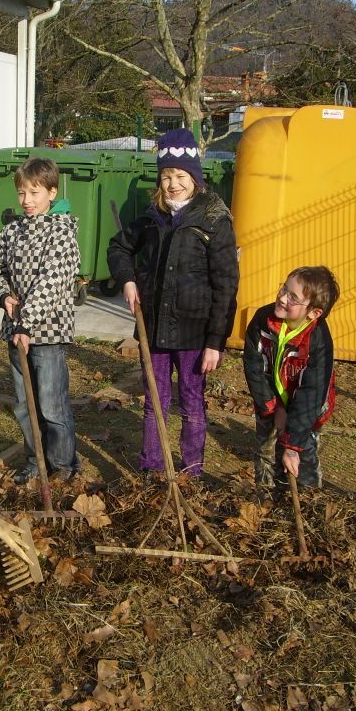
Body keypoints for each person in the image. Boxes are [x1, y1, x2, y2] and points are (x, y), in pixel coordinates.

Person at [107, 128, 239, 478]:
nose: (173, 184)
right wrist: (127, 279)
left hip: (195, 333)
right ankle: (152, 467)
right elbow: (118, 247)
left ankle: (192, 470)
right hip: (154, 329)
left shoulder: (214, 221)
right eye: (166, 177)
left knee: (192, 402)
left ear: (195, 178)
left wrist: (215, 342)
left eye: (181, 176)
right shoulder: (152, 218)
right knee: (155, 401)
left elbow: (226, 285)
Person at [0, 157, 81, 484]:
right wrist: (3, 297)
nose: (26, 200)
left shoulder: (62, 233)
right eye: (21, 193)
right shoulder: (12, 230)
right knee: (25, 405)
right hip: (16, 330)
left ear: (52, 193)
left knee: (52, 405)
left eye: (34, 193)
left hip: (48, 332)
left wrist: (27, 323)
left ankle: (63, 465)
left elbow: (51, 283)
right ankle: (35, 460)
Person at [243, 266, 339, 496]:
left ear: (314, 312)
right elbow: (254, 367)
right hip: (269, 401)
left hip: (307, 412)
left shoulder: (318, 341)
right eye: (284, 289)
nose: (283, 298)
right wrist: (272, 407)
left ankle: (306, 501)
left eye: (293, 297)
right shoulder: (263, 320)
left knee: (300, 459)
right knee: (266, 454)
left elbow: (312, 393)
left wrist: (292, 445)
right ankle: (265, 500)